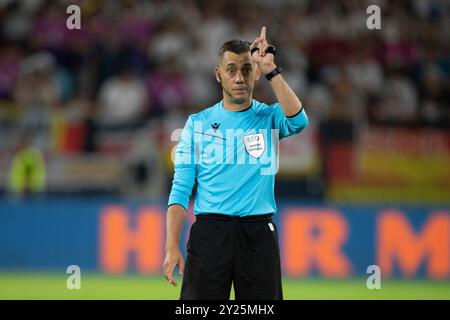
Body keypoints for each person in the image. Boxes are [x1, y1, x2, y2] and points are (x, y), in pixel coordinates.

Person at [162, 27, 308, 300]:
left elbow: (299, 121)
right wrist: (171, 245)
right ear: (219, 75)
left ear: (254, 74)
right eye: (231, 70)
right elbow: (180, 190)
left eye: (246, 69)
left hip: (258, 235)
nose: (239, 77)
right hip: (209, 234)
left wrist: (271, 70)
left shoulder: (269, 118)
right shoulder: (197, 123)